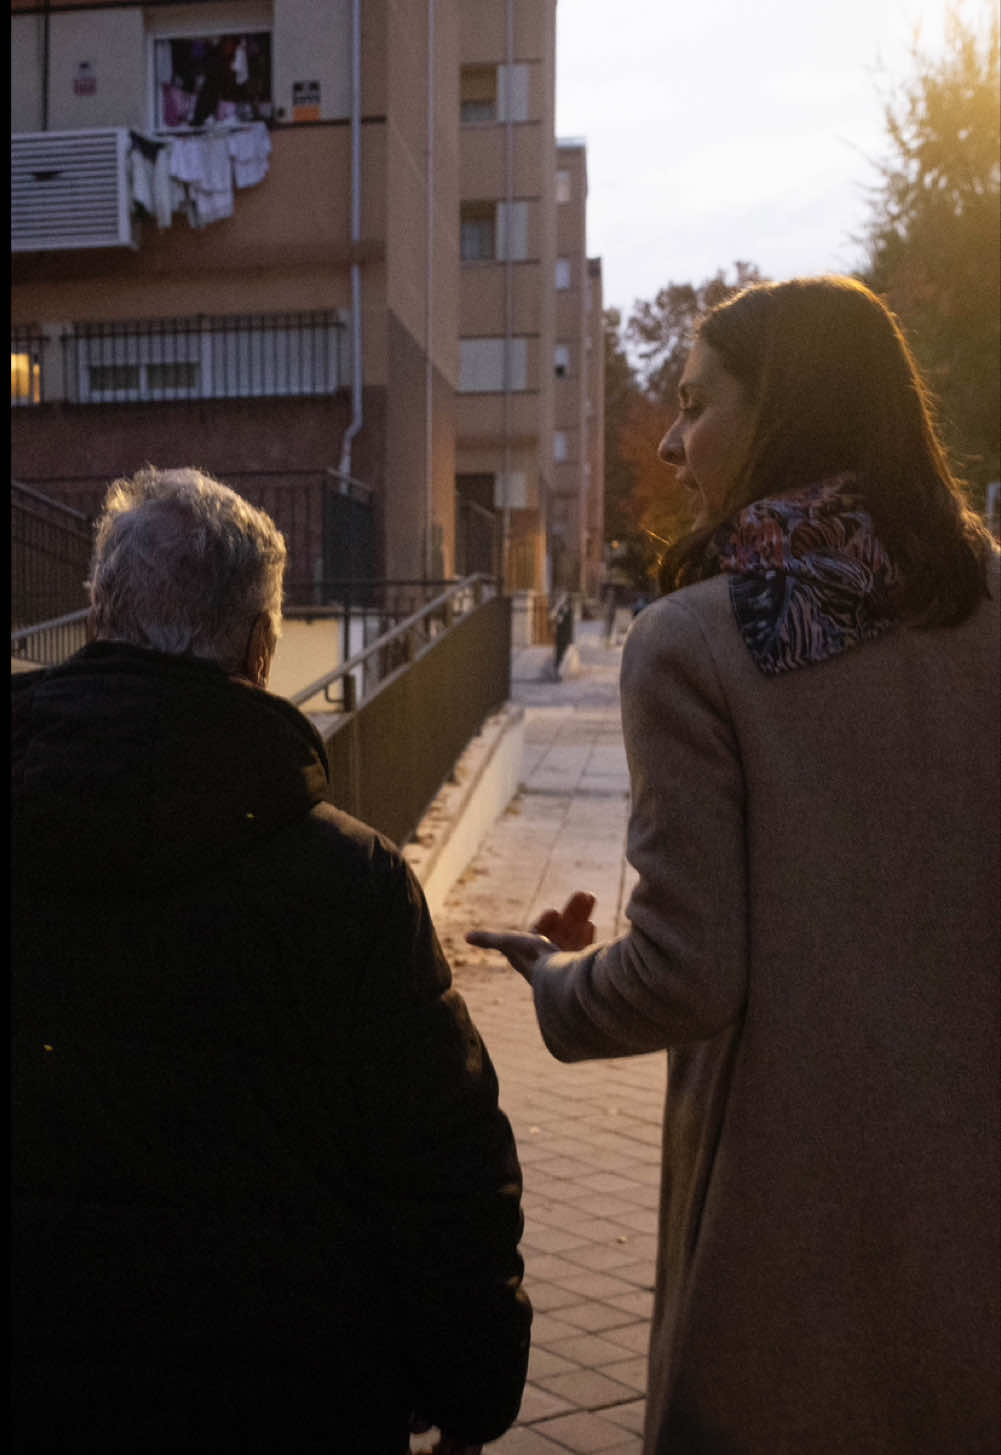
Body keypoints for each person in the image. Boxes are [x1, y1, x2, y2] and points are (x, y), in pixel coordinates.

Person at [469, 276, 1000, 1453]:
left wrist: (561, 984)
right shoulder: (986, 597)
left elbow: (685, 974)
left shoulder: (695, 643)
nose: (670, 437)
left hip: (791, 1238)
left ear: (781, 417)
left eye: (697, 401)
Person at [12, 467, 531, 1454]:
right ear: (259, 644)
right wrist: (471, 1383)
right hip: (287, 1399)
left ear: (96, 614)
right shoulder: (347, 885)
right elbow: (439, 1162)